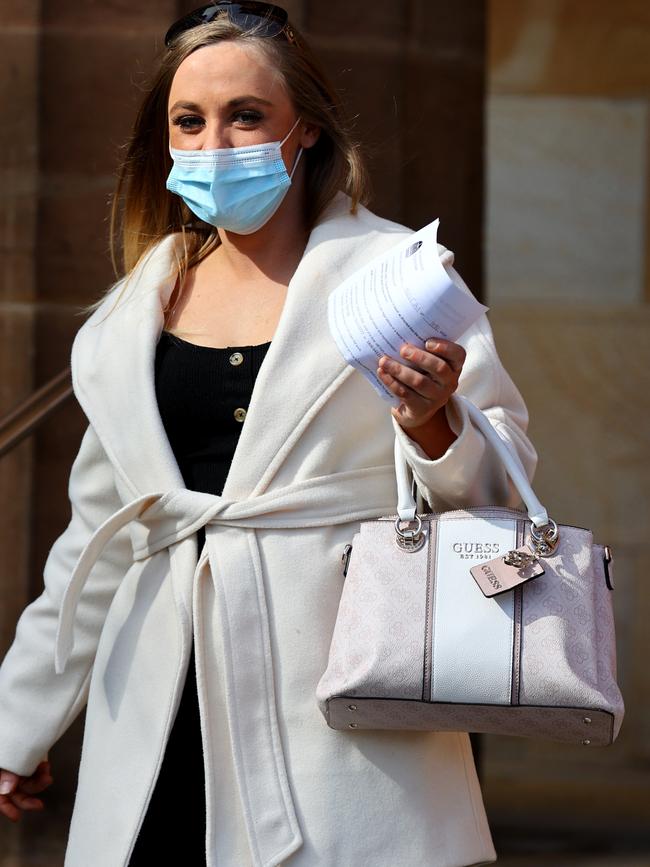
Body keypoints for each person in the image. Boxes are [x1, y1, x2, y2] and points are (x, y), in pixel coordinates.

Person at [0, 3, 537, 865]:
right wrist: (15, 725)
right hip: (154, 705)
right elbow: (94, 544)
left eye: (246, 115)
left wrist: (434, 421)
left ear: (307, 133)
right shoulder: (135, 308)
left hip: (338, 715)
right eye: (190, 121)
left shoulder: (396, 277)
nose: (216, 144)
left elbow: (500, 495)